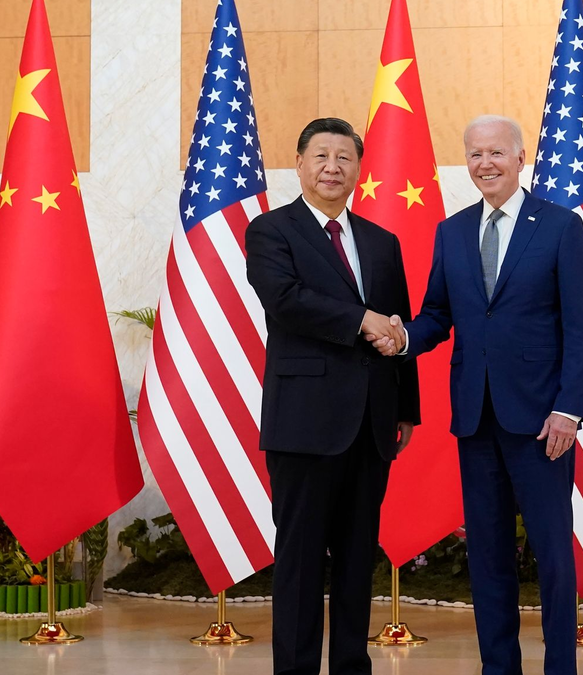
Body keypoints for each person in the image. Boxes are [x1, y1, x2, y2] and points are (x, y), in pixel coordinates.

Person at [371, 115, 583, 675]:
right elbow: (438, 316)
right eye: (475, 155)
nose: (485, 164)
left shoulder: (561, 227)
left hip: (544, 422)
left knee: (553, 557)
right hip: (475, 419)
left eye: (497, 153)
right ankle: (500, 667)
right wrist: (400, 339)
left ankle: (559, 668)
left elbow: (580, 326)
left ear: (522, 158)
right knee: (488, 556)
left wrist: (569, 409)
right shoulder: (452, 231)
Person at [245, 117, 419, 675]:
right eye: (320, 156)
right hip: (304, 423)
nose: (331, 168)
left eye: (343, 158)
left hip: (372, 423)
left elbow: (401, 327)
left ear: (358, 170)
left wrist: (407, 408)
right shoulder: (271, 231)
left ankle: (351, 665)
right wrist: (360, 319)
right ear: (298, 164)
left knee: (355, 558)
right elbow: (286, 300)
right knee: (298, 560)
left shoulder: (381, 241)